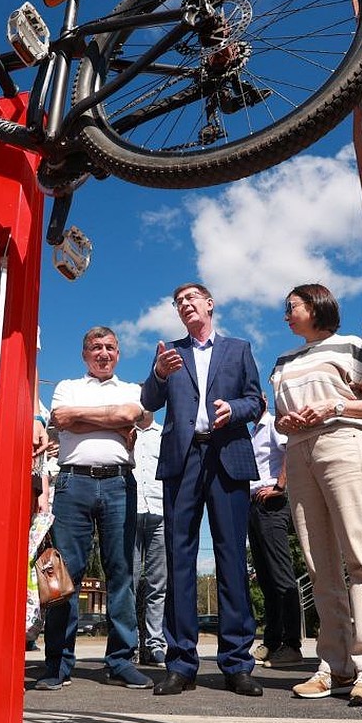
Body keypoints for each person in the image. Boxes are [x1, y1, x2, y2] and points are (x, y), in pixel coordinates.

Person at [140, 282, 264, 697]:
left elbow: (256, 401)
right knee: (180, 560)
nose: (184, 305)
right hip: (183, 460)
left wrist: (236, 410)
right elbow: (148, 400)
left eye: (191, 298)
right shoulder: (169, 354)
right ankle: (180, 663)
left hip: (227, 455)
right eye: (178, 302)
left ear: (210, 304)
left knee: (231, 558)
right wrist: (158, 374)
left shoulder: (239, 348)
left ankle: (237, 663)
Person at [271, 284, 362, 705]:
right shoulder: (283, 360)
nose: (286, 315)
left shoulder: (351, 347)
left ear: (316, 306)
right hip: (299, 450)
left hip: (343, 443)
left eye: (293, 307)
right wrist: (285, 423)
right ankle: (335, 664)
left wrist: (334, 408)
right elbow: (281, 416)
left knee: (359, 555)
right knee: (318, 562)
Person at [36, 327, 153, 690]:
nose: (103, 353)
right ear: (84, 354)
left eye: (109, 348)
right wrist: (115, 419)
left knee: (121, 571)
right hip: (74, 482)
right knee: (63, 576)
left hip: (119, 483)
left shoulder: (132, 390)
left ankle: (120, 661)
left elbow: (134, 415)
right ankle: (58, 663)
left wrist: (94, 418)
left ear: (119, 354)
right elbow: (63, 418)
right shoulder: (67, 387)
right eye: (95, 348)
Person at [247, 395, 303, 669]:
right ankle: (272, 641)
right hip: (253, 505)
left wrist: (280, 487)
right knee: (266, 579)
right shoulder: (252, 432)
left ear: (264, 400)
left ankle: (292, 644)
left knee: (281, 575)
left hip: (271, 503)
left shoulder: (271, 424)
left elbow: (291, 450)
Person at [133, 418, 168, 667]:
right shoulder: (125, 433)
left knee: (158, 584)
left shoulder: (163, 434)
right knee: (129, 583)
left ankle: (155, 644)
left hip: (160, 512)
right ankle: (129, 644)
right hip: (130, 514)